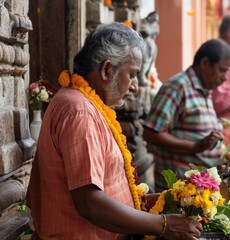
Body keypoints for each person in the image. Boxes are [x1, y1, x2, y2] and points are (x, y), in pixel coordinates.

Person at [26, 22, 202, 240]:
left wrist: (171, 199)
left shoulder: (85, 104)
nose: (135, 86)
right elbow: (90, 203)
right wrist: (163, 224)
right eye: (133, 74)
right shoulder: (79, 111)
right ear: (107, 70)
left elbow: (106, 190)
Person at [143, 39, 230, 191]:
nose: (225, 77)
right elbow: (151, 133)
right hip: (179, 192)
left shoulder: (204, 90)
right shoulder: (178, 86)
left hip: (200, 193)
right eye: (222, 70)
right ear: (205, 63)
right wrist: (194, 147)